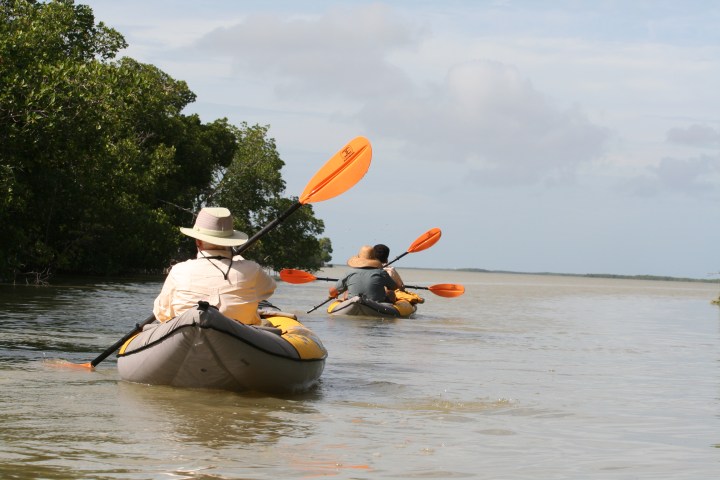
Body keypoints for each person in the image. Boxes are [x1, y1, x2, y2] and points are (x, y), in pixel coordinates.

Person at [153, 207, 276, 325]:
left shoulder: (178, 270)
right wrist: (241, 263)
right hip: (240, 339)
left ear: (198, 241)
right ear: (230, 241)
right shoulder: (252, 269)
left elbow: (162, 314)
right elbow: (268, 290)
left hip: (187, 338)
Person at [329, 245, 397, 303]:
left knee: (347, 291)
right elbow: (394, 287)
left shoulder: (349, 273)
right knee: (391, 293)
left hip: (354, 302)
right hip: (376, 303)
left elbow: (332, 291)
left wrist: (333, 294)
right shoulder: (381, 272)